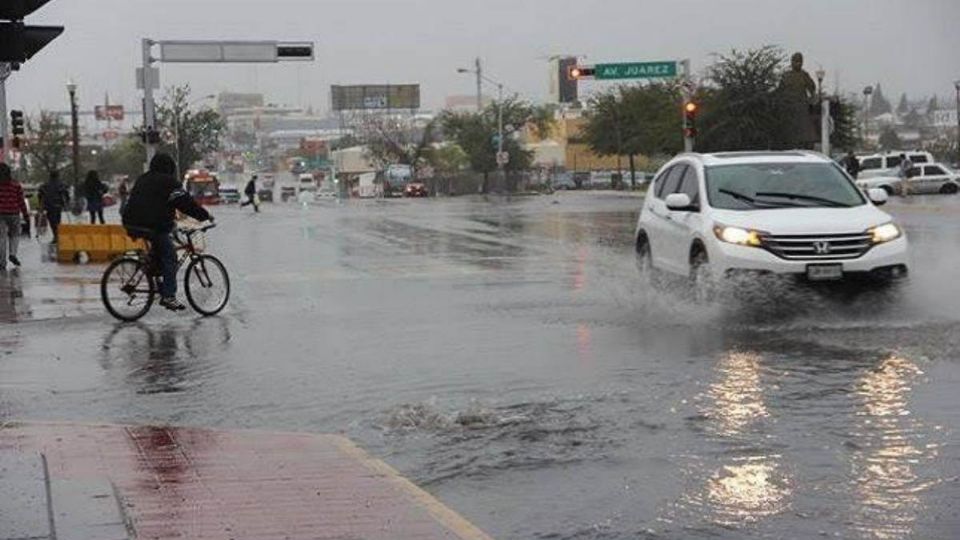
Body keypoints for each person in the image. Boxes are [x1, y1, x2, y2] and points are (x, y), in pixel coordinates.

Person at [122, 153, 213, 311]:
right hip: (151, 225)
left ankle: (152, 273)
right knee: (170, 256)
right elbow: (185, 203)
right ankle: (168, 296)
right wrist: (204, 215)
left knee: (160, 251)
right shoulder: (169, 183)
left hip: (131, 222)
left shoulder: (143, 178)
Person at [0, 163, 31, 271]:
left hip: (0, 214)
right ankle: (12, 253)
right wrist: (26, 215)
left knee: (1, 237)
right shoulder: (16, 185)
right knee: (15, 234)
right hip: (13, 213)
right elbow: (21, 201)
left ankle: (2, 262)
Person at [38, 170, 69, 244]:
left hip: (49, 206)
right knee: (57, 220)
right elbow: (66, 194)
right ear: (58, 176)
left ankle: (56, 235)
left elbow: (40, 195)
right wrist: (66, 202)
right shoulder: (61, 184)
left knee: (52, 221)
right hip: (58, 205)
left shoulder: (45, 185)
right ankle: (57, 235)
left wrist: (41, 205)